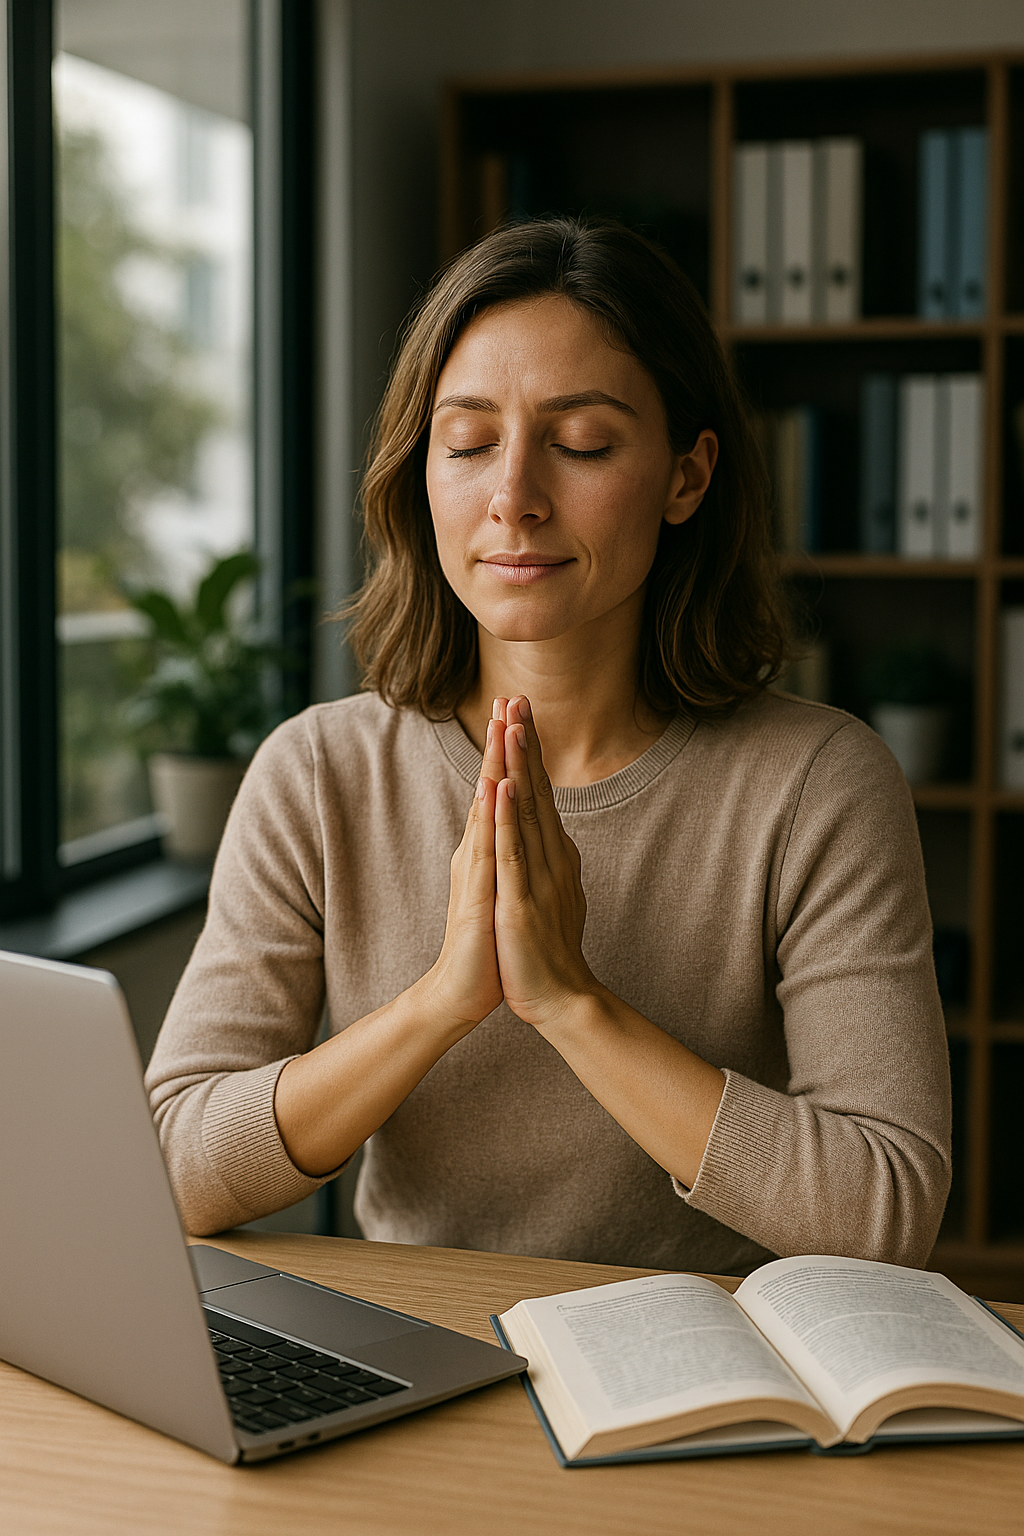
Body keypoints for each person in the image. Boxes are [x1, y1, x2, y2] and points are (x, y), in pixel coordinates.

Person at [146, 217, 951, 1276]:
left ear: (685, 477)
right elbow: (175, 1165)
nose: (512, 496)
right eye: (469, 442)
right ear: (418, 473)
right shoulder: (317, 775)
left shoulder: (816, 783)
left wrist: (571, 1004)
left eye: (581, 445)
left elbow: (884, 1206)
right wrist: (442, 1001)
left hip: (707, 1377)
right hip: (418, 1356)